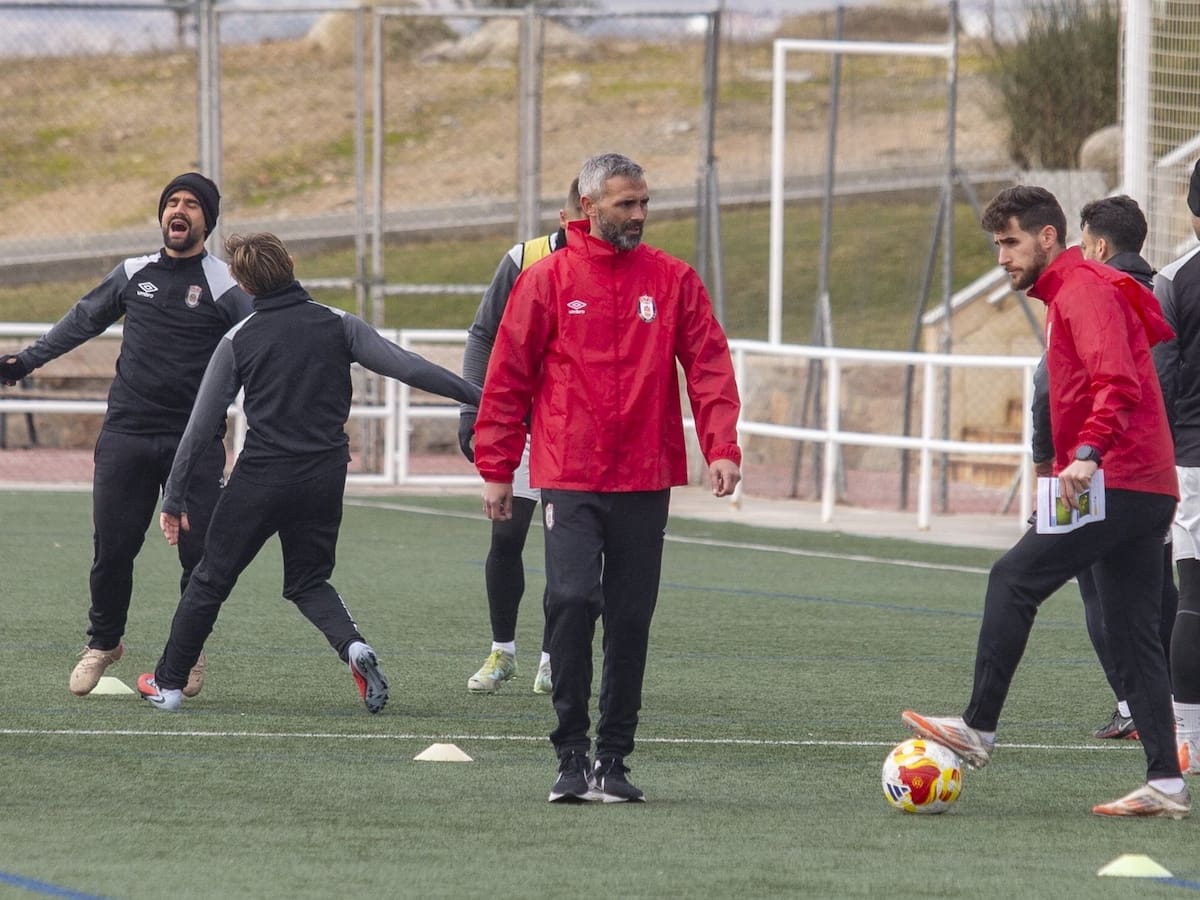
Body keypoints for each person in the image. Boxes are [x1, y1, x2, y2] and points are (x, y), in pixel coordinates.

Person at [903, 185, 1187, 818]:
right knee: (1135, 633)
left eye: (1009, 242)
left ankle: (977, 728)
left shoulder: (1082, 288)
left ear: (1049, 237)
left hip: (1117, 479)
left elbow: (1118, 377)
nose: (1002, 257)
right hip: (1139, 484)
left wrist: (1086, 453)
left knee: (1013, 579)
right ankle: (1166, 783)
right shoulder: (1078, 289)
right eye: (998, 244)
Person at [473, 152, 743, 803]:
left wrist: (721, 446)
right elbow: (507, 377)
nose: (640, 215)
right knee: (569, 601)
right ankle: (569, 752)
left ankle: (613, 759)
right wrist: (497, 467)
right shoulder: (547, 281)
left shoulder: (674, 280)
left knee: (629, 618)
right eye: (627, 204)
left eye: (645, 202)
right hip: (569, 473)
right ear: (589, 208)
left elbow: (708, 364)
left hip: (646, 477)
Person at [135, 232, 481, 712]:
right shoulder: (339, 324)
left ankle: (169, 683)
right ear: (293, 264)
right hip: (324, 477)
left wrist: (172, 498)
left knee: (210, 579)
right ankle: (353, 646)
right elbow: (408, 368)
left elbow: (198, 429)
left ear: (241, 284)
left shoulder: (238, 338)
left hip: (261, 478)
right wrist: (479, 397)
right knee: (308, 581)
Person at [0, 173, 253, 697]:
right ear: (162, 216)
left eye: (190, 204)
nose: (178, 211)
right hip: (126, 434)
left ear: (208, 219)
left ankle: (188, 651)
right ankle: (104, 641)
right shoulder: (133, 273)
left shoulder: (226, 284)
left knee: (198, 553)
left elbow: (263, 346)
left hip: (195, 443)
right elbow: (81, 321)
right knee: (112, 549)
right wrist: (24, 361)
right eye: (171, 203)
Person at [1029, 195, 1178, 742]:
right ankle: (1171, 706)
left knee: (1094, 586)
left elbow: (1049, 386)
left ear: (1094, 243)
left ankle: (1131, 702)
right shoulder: (1167, 289)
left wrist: (1046, 461)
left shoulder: (1089, 290)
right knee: (1160, 588)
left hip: (1095, 463)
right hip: (1165, 465)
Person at [458, 179, 583, 696]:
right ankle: (503, 651)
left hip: (576, 433)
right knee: (506, 538)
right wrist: (472, 406)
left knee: (567, 550)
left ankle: (554, 658)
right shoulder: (523, 259)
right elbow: (484, 333)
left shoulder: (616, 267)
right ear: (567, 215)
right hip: (524, 428)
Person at [1152, 159, 1200, 775]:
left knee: (1195, 598)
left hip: (1194, 456)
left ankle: (1188, 737)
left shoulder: (1174, 279)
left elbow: (1160, 378)